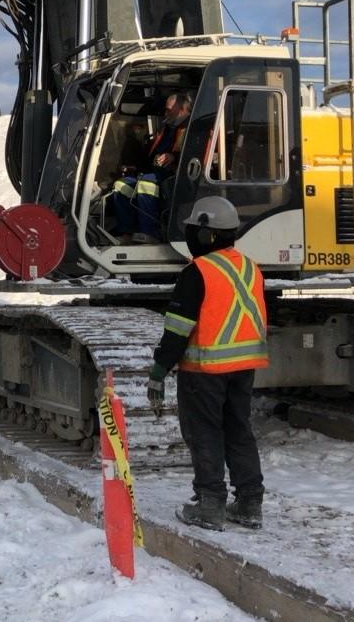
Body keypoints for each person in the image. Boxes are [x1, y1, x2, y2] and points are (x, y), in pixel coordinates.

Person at [145, 197, 268, 531]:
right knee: (239, 431)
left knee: (204, 433)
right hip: (243, 366)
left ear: (206, 234)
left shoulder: (198, 272)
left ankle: (211, 505)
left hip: (205, 370)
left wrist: (159, 371)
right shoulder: (249, 267)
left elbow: (177, 330)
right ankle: (249, 503)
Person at [112, 92, 192, 244]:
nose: (165, 112)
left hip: (175, 176)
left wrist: (174, 157)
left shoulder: (192, 128)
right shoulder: (167, 128)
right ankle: (127, 232)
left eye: (169, 109)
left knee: (146, 185)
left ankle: (150, 233)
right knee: (121, 185)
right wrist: (134, 167)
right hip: (154, 173)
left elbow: (195, 155)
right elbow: (151, 156)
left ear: (181, 109)